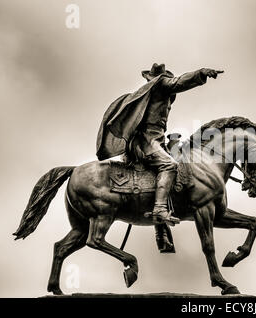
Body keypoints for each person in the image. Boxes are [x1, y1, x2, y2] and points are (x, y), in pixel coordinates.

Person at [96, 63, 223, 225]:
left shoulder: (153, 94)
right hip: (147, 141)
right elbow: (179, 82)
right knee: (169, 165)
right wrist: (201, 73)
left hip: (156, 139)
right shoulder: (161, 85)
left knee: (174, 172)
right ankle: (160, 208)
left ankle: (161, 229)